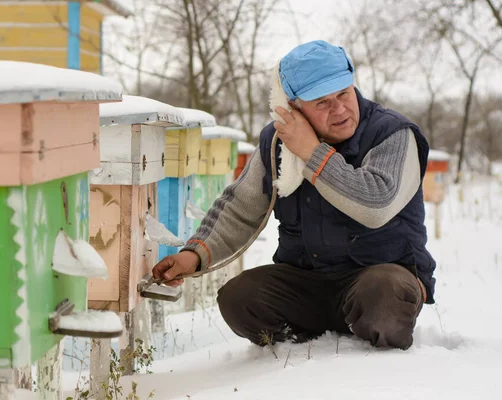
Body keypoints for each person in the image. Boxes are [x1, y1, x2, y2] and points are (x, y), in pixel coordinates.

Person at [152, 40, 436, 350]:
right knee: (238, 297)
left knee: (386, 293)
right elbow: (240, 207)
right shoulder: (277, 141)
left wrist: (312, 153)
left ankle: (371, 362)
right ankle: (299, 353)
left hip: (376, 278)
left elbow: (376, 205)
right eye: (322, 103)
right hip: (307, 283)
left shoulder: (392, 133)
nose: (339, 109)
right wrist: (194, 254)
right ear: (295, 108)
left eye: (343, 93)